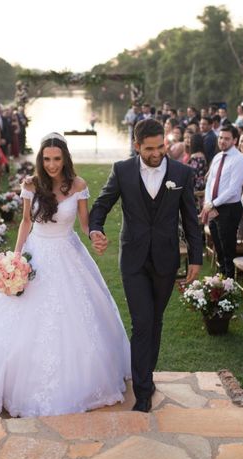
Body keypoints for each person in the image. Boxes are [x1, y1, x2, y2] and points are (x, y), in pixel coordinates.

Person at [0, 133, 131, 417]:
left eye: (57, 159)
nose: (52, 165)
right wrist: (16, 258)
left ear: (65, 159)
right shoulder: (31, 185)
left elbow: (83, 222)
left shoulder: (79, 185)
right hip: (37, 252)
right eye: (47, 159)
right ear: (40, 160)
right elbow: (26, 222)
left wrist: (95, 235)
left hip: (68, 252)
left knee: (79, 317)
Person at [89, 119, 202, 412]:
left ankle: (145, 376)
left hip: (166, 258)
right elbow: (101, 204)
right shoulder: (123, 171)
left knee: (156, 321)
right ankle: (142, 393)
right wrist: (95, 229)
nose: (156, 153)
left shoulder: (181, 173)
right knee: (142, 323)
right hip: (133, 259)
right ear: (137, 146)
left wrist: (196, 258)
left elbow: (191, 219)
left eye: (160, 146)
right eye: (149, 148)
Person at [200, 125, 243, 279]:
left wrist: (213, 203)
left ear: (235, 140)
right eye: (220, 138)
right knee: (218, 245)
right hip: (213, 206)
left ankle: (229, 280)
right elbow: (209, 182)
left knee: (227, 247)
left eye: (227, 138)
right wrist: (208, 202)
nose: (222, 141)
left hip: (229, 208)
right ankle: (221, 278)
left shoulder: (239, 159)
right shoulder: (218, 157)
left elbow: (234, 189)